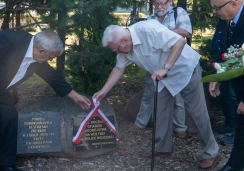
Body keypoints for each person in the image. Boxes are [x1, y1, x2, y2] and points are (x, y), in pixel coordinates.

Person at [0, 30, 91, 171]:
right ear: (41, 51)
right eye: (51, 57)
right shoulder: (8, 40)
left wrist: (75, 96)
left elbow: (52, 76)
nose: (51, 60)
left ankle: (5, 166)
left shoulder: (36, 58)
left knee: (9, 116)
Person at [93, 20, 220, 169]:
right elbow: (118, 69)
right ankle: (161, 148)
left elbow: (179, 41)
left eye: (116, 50)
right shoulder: (124, 48)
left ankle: (212, 153)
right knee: (161, 110)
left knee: (197, 112)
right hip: (163, 77)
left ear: (124, 41)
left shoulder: (147, 29)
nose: (117, 53)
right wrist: (103, 91)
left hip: (185, 68)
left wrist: (165, 68)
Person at [129, 0, 192, 139]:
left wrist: (162, 33)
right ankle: (140, 123)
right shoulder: (151, 18)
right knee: (148, 95)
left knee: (177, 97)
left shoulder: (178, 13)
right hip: (154, 64)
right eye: (156, 4)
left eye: (162, 3)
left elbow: (186, 31)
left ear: (170, 2)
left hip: (175, 63)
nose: (159, 7)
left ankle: (180, 127)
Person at [209, 0, 244, 170]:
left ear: (233, 3)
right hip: (241, 87)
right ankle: (235, 165)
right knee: (243, 128)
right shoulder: (228, 19)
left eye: (217, 8)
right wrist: (221, 75)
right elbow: (235, 54)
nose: (214, 12)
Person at [211, 19, 238, 147]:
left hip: (236, 65)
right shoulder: (223, 20)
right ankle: (231, 125)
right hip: (223, 63)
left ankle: (239, 133)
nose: (215, 11)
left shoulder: (240, 20)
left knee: (235, 97)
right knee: (225, 95)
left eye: (217, 7)